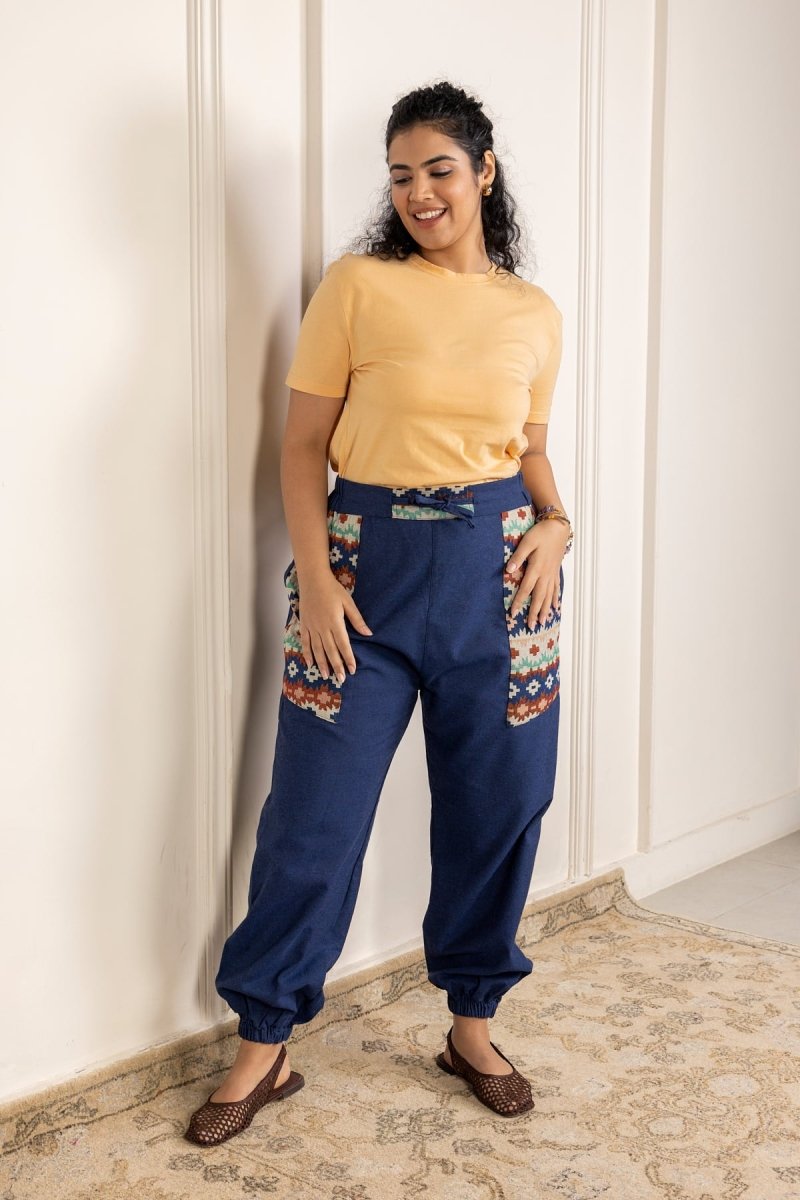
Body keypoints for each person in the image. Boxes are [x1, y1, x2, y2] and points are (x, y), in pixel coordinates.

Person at [185, 80, 573, 1147]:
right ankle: (264, 1046)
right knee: (311, 821)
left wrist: (559, 523)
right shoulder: (356, 286)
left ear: (483, 171)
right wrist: (315, 581)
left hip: (504, 576)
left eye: (438, 169)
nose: (418, 192)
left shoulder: (533, 313)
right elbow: (302, 445)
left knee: (499, 809)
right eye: (400, 175)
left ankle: (472, 1028)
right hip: (359, 572)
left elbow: (531, 449)